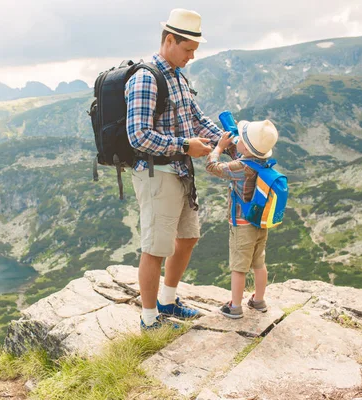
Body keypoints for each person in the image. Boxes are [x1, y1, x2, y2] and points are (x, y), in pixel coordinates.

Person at [125, 8, 224, 330]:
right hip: (157, 173)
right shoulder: (146, 77)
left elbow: (196, 118)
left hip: (180, 172)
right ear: (170, 40)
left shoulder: (178, 75)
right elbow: (138, 135)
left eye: (195, 51)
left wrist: (225, 139)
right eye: (188, 50)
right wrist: (184, 147)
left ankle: (168, 300)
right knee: (155, 248)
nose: (192, 57)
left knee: (188, 237)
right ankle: (149, 319)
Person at [205, 119, 279, 319]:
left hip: (242, 224)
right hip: (259, 222)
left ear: (245, 146)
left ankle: (235, 307)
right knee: (258, 263)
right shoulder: (261, 162)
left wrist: (219, 148)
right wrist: (236, 142)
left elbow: (212, 166)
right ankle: (259, 300)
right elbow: (243, 154)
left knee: (238, 267)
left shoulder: (240, 167)